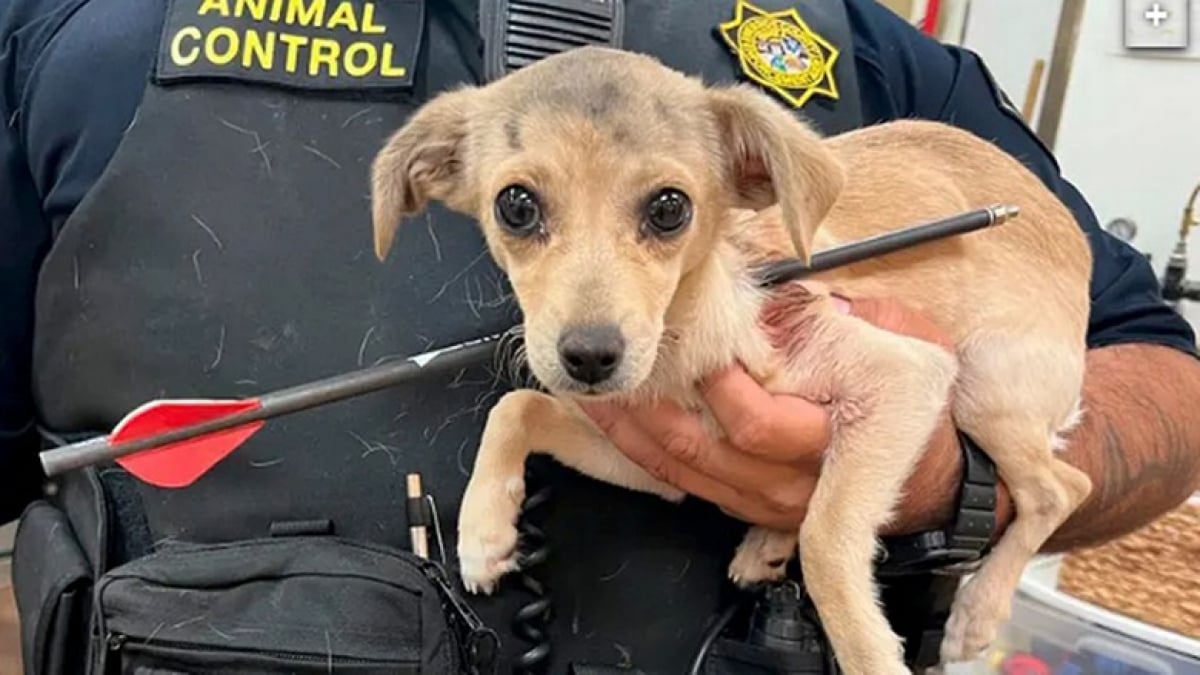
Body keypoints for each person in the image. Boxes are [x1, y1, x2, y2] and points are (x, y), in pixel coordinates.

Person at [3, 0, 1198, 672]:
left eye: (663, 211)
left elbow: (1161, 370)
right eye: (520, 210)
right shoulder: (76, 36)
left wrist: (945, 478)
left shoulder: (865, 52)